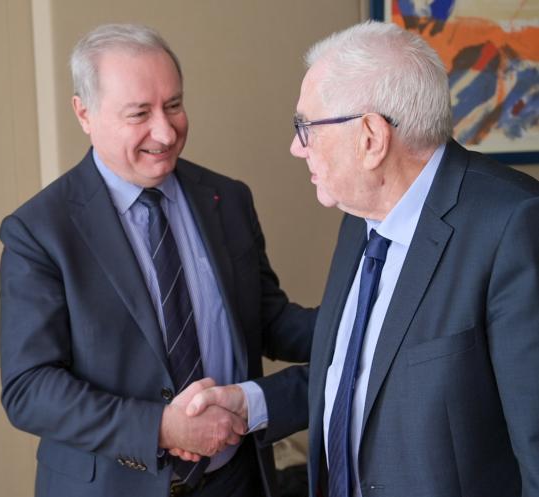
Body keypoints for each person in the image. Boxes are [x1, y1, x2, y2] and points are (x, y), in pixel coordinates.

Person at [186, 21, 539, 497]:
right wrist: (254, 403)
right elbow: (367, 367)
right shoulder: (359, 217)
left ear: (371, 137)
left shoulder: (513, 225)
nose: (296, 147)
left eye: (305, 127)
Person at [0, 23, 315, 497]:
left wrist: (366, 324)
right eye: (139, 113)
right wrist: (162, 428)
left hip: (235, 480)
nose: (165, 132)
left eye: (174, 105)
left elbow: (265, 319)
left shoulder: (226, 198)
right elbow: (30, 389)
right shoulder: (39, 230)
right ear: (84, 113)